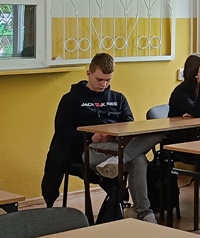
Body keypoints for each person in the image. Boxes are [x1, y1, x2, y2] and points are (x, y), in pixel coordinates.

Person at [41, 52, 158, 223]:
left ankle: (140, 207)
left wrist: (114, 136)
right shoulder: (71, 99)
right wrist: (90, 137)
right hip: (88, 150)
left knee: (155, 135)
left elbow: (129, 125)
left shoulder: (118, 98)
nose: (103, 84)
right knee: (138, 159)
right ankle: (144, 213)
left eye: (108, 80)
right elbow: (62, 131)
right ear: (88, 73)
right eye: (99, 79)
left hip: (116, 146)